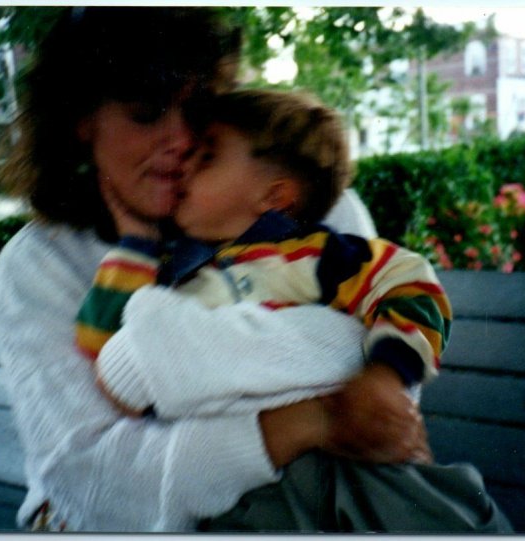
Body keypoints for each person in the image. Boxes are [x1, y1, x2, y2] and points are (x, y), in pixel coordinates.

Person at [0, 7, 431, 532]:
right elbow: (93, 484)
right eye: (148, 112)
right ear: (83, 122)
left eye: (198, 107)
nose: (180, 140)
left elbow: (382, 409)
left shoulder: (309, 207)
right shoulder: (41, 263)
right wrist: (310, 419)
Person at [76, 89, 451, 420]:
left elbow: (410, 283)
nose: (184, 165)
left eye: (207, 157)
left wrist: (386, 374)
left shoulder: (316, 256)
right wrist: (137, 243)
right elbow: (100, 349)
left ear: (273, 197)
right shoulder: (167, 269)